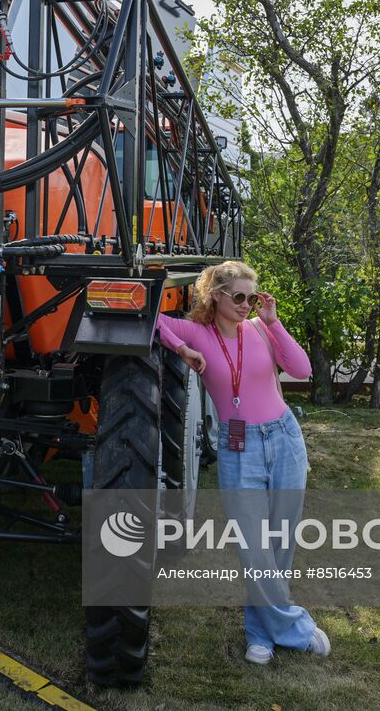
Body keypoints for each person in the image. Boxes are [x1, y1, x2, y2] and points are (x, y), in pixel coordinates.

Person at [154, 260, 331, 665]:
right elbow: (149, 320)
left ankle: (260, 633)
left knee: (278, 544)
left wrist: (274, 321)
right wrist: (182, 349)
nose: (247, 304)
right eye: (238, 297)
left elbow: (302, 370)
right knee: (254, 549)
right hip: (238, 449)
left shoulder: (260, 329)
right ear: (214, 295)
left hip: (283, 439)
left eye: (252, 297)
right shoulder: (197, 331)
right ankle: (294, 627)